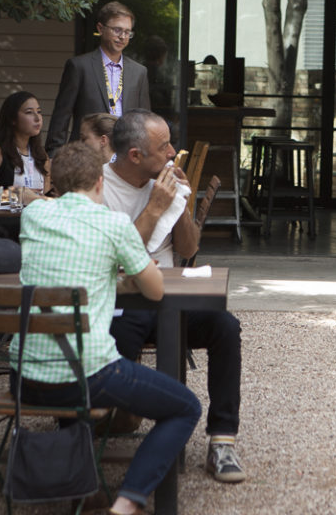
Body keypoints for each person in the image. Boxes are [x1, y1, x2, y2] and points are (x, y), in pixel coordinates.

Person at [12, 140, 200, 515]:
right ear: (100, 181)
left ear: (57, 184)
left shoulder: (33, 217)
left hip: (25, 376)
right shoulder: (113, 224)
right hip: (85, 374)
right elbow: (155, 289)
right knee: (185, 407)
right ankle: (126, 504)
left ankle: (86, 488)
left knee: (72, 386)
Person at [102, 109, 247, 484]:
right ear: (135, 155)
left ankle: (222, 440)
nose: (172, 151)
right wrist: (152, 208)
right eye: (163, 146)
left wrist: (180, 203)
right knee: (120, 336)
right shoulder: (98, 188)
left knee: (225, 327)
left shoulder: (165, 182)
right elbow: (114, 257)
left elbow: (188, 246)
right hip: (122, 300)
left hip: (170, 295)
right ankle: (106, 424)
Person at [46, 1, 150, 157]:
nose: (122, 37)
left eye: (127, 32)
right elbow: (62, 115)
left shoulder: (139, 72)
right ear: (100, 29)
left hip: (124, 156)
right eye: (117, 30)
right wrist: (54, 155)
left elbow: (144, 120)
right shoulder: (79, 66)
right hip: (86, 155)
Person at [0, 91, 50, 204]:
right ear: (12, 119)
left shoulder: (41, 155)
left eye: (39, 112)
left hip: (37, 217)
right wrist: (14, 195)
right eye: (29, 112)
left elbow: (47, 196)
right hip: (5, 219)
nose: (37, 118)